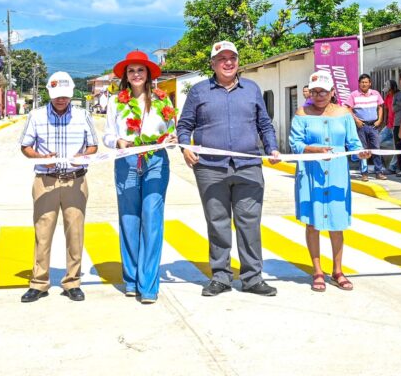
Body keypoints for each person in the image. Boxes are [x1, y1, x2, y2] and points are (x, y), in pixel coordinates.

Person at [177, 40, 281, 297]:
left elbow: (264, 124)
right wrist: (184, 147)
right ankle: (221, 277)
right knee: (218, 222)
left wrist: (272, 147)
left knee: (249, 223)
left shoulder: (252, 89)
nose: (228, 62)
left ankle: (252, 277)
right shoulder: (199, 91)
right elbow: (184, 125)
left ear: (237, 62)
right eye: (222, 58)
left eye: (232, 58)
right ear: (213, 64)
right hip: (210, 169)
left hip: (248, 166)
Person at [103, 51, 177, 304]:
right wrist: (118, 141)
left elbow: (171, 134)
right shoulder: (116, 102)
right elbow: (108, 136)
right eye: (131, 70)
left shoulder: (162, 99)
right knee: (129, 220)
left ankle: (148, 284)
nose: (136, 74)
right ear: (126, 75)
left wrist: (172, 139)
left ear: (148, 74)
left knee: (152, 219)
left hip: (156, 161)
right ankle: (132, 279)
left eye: (140, 70)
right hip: (127, 162)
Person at [19, 71, 98, 303]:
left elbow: (93, 146)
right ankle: (39, 282)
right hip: (46, 180)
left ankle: (72, 282)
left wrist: (82, 156)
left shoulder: (83, 116)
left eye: (64, 95)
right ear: (49, 93)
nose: (61, 100)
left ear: (71, 93)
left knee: (75, 233)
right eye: (56, 95)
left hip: (76, 180)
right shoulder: (36, 116)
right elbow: (25, 147)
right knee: (42, 233)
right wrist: (41, 158)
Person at [290, 70, 368, 292]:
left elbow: (353, 144)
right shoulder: (301, 113)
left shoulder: (344, 114)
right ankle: (317, 271)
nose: (318, 95)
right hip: (310, 174)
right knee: (312, 223)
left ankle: (338, 270)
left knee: (337, 223)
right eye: (314, 91)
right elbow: (295, 144)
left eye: (323, 91)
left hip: (336, 175)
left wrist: (360, 154)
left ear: (332, 92)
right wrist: (312, 149)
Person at [344, 73, 386, 181]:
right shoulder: (354, 95)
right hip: (361, 126)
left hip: (374, 126)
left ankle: (379, 172)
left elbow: (381, 106)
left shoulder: (375, 93)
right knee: (362, 150)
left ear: (370, 83)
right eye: (362, 82)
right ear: (359, 83)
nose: (364, 84)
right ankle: (364, 173)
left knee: (376, 148)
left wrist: (380, 120)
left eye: (366, 82)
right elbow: (348, 109)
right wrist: (356, 120)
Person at [380, 79, 398, 171]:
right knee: (376, 142)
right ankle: (380, 165)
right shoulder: (387, 97)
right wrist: (384, 121)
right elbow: (386, 109)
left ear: (394, 88)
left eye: (390, 90)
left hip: (397, 125)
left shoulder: (399, 96)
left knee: (396, 147)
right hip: (389, 125)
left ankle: (392, 167)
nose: (389, 92)